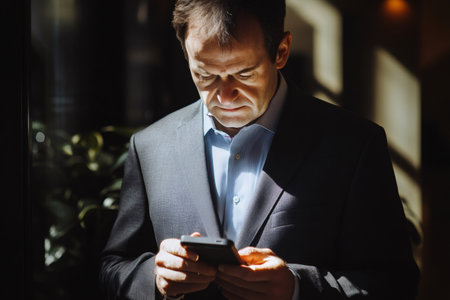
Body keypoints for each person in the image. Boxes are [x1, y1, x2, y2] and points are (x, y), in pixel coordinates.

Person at [100, 0, 419, 299]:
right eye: (205, 75)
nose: (224, 96)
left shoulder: (354, 145)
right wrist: (154, 277)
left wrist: (297, 289)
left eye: (243, 74)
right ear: (185, 54)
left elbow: (396, 283)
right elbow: (114, 266)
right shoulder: (150, 146)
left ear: (281, 51)